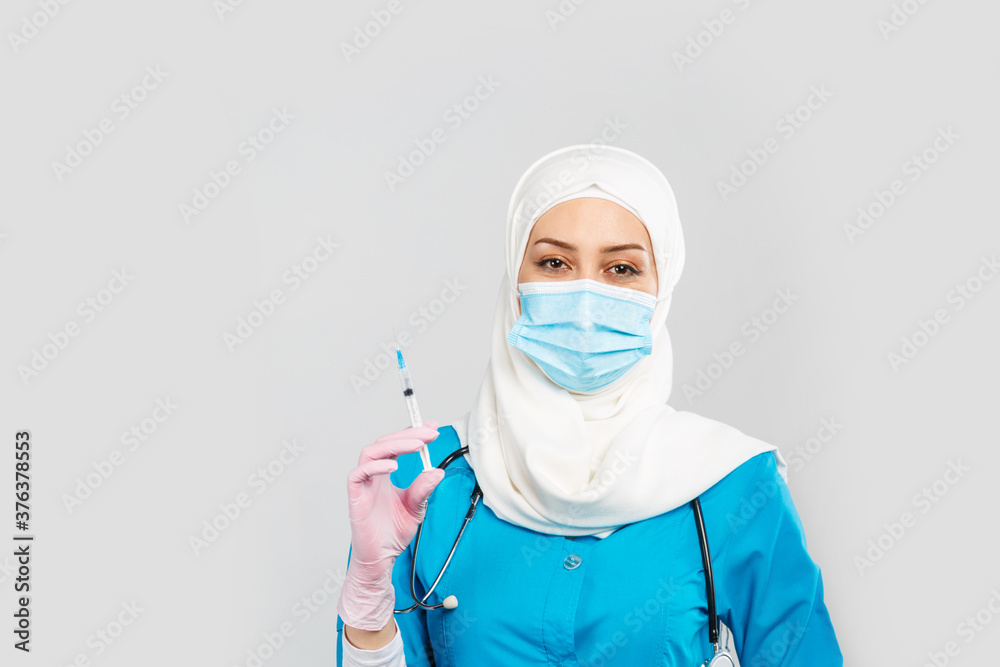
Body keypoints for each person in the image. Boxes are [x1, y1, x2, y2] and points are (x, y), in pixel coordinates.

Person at [335, 144, 843, 665]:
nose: (584, 298)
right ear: (515, 279)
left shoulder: (730, 481)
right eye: (554, 262)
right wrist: (369, 599)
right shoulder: (424, 480)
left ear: (661, 287)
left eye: (621, 269)